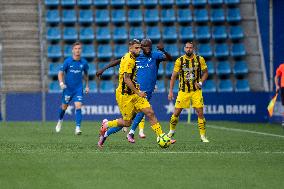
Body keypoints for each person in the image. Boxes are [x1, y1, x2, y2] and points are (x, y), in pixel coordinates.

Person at [96, 39, 172, 143]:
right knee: (127, 122)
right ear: (130, 48)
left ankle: (161, 136)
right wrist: (103, 69)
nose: (142, 49)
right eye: (140, 47)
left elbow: (169, 58)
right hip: (128, 94)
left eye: (141, 47)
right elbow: (126, 78)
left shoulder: (150, 56)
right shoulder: (130, 59)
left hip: (140, 92)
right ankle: (108, 126)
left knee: (149, 112)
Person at [167, 41, 209, 143]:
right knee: (176, 113)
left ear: (193, 48)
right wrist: (171, 91)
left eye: (190, 47)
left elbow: (206, 73)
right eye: (187, 47)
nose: (188, 49)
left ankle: (203, 136)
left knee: (200, 113)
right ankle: (171, 131)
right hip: (183, 91)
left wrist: (200, 82)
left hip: (196, 91)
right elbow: (173, 77)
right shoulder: (179, 61)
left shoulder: (200, 59)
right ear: (184, 48)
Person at [55, 41, 89, 135]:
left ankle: (77, 127)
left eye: (79, 49)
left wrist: (86, 85)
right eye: (76, 49)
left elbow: (86, 74)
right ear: (72, 50)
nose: (77, 50)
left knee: (78, 106)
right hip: (68, 89)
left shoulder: (84, 63)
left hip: (78, 89)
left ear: (81, 50)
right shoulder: (68, 61)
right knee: (64, 108)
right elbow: (60, 73)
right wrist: (61, 83)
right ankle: (60, 120)